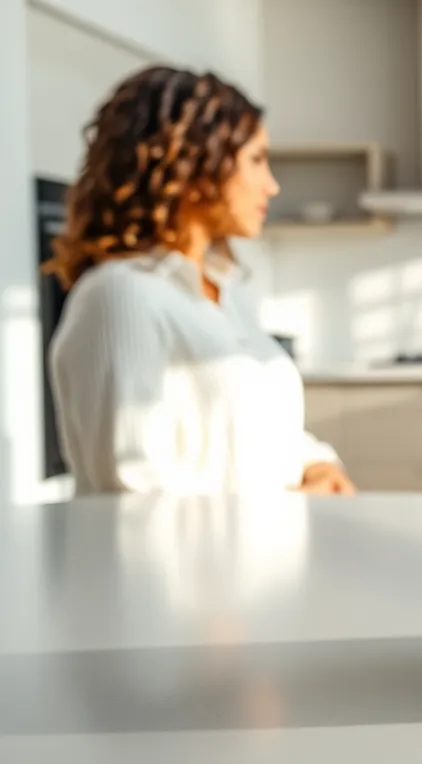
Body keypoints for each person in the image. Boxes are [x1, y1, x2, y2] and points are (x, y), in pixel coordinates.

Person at [43, 65, 355, 497]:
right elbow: (135, 493)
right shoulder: (120, 296)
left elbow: (256, 431)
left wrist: (317, 465)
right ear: (192, 164)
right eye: (257, 161)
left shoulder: (223, 294)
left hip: (268, 562)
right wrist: (287, 511)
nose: (272, 186)